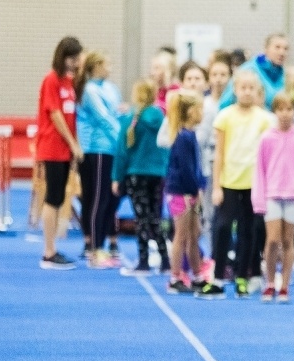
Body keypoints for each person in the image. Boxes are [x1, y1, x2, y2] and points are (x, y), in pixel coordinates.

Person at [196, 70, 273, 300]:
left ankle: (242, 277)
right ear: (236, 90)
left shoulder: (265, 119)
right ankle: (218, 278)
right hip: (229, 182)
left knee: (247, 231)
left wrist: (266, 187)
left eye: (251, 88)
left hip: (253, 184)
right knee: (221, 228)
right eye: (243, 87)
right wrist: (217, 186)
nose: (247, 92)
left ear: (257, 92)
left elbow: (267, 156)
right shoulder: (225, 116)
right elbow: (218, 154)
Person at [251, 92, 294, 303]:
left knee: (288, 241)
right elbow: (259, 170)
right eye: (281, 109)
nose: (285, 114)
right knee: (272, 241)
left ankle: (285, 286)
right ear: (274, 111)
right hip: (272, 195)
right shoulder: (267, 138)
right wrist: (258, 199)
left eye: (289, 109)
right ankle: (270, 283)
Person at [112, 79, 170, 276]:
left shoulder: (130, 119)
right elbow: (166, 147)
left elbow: (122, 152)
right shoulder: (161, 118)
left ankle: (144, 260)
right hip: (157, 175)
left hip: (136, 174)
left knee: (142, 218)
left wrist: (116, 177)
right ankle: (165, 260)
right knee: (155, 217)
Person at [36, 36, 84, 270]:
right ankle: (48, 251)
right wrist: (73, 143)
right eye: (72, 58)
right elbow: (55, 114)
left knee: (59, 197)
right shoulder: (51, 80)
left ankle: (52, 247)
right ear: (62, 57)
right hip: (53, 147)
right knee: (53, 197)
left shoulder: (68, 82)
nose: (75, 63)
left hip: (64, 150)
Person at [75, 50, 123, 268]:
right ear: (95, 67)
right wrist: (123, 140)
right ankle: (95, 248)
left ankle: (101, 245)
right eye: (106, 64)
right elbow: (104, 118)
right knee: (97, 199)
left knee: (109, 200)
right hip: (97, 149)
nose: (110, 69)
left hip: (111, 149)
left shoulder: (110, 88)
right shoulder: (89, 90)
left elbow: (116, 112)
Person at [163, 90, 207, 294]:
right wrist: (194, 189)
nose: (202, 113)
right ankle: (174, 277)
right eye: (200, 109)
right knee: (181, 235)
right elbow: (186, 168)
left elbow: (195, 167)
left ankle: (197, 275)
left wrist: (201, 184)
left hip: (188, 191)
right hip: (181, 192)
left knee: (193, 234)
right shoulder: (183, 137)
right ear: (190, 112)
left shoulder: (189, 135)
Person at [196, 53, 233, 250]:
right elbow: (200, 139)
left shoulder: (234, 104)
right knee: (210, 212)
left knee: (228, 213)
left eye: (223, 74)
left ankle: (228, 254)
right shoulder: (204, 104)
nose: (219, 79)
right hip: (209, 162)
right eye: (215, 74)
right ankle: (212, 255)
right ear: (209, 78)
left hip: (232, 162)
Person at [219, 33, 289, 110]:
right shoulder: (249, 69)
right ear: (266, 49)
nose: (282, 52)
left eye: (285, 49)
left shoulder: (283, 74)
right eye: (277, 47)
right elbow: (225, 102)